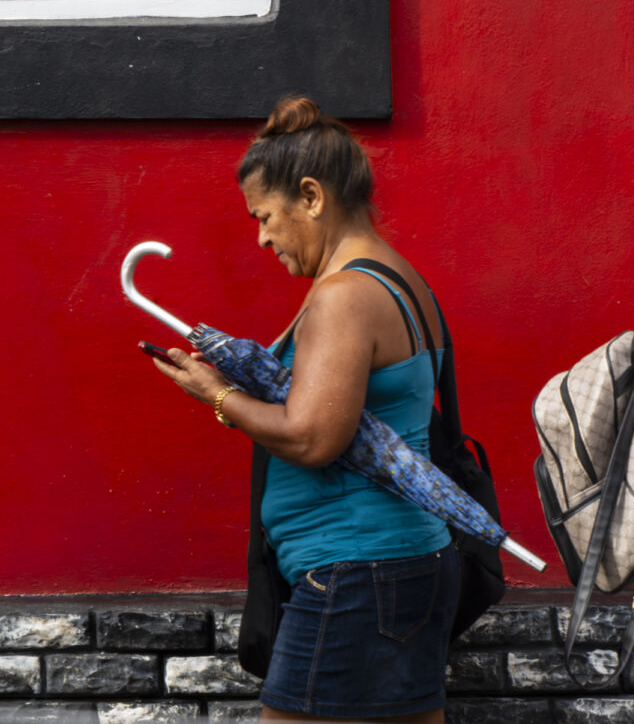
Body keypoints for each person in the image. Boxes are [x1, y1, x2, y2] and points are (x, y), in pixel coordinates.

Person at [152, 97, 458, 723]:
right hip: (405, 562)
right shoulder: (401, 279)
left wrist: (214, 395)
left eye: (264, 216)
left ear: (312, 198)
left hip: (355, 570)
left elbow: (313, 437)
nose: (261, 236)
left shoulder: (345, 294)